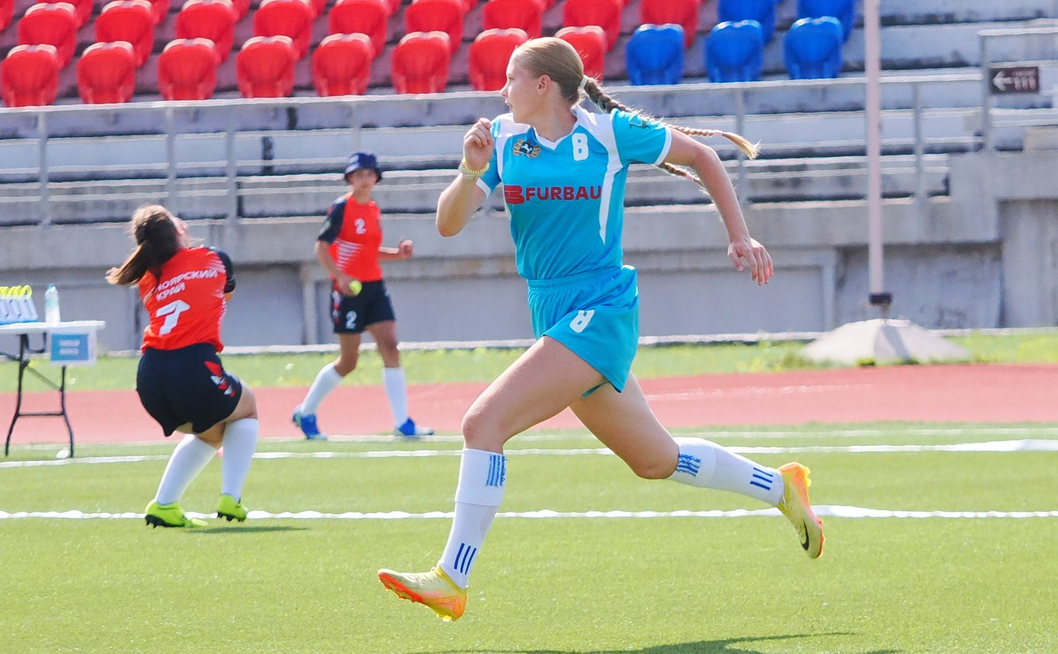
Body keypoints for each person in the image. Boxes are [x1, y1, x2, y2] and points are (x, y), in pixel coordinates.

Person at [376, 36, 823, 621]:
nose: (500, 89)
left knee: (482, 423)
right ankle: (781, 487)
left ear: (544, 86)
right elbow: (449, 224)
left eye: (511, 78)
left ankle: (451, 579)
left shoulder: (610, 132)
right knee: (655, 460)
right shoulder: (506, 141)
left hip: (602, 310)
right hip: (553, 312)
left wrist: (739, 234)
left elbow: (704, 157)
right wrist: (470, 170)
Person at [109, 205, 261, 527]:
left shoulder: (147, 279)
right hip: (192, 367)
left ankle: (164, 504)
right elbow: (224, 296)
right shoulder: (214, 258)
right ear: (178, 230)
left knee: (212, 434)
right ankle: (231, 499)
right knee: (247, 408)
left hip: (150, 376)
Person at [290, 151, 424, 440]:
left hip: (374, 286)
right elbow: (322, 247)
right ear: (350, 178)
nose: (365, 178)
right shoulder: (342, 208)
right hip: (348, 292)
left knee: (391, 348)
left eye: (369, 173)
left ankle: (403, 423)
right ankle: (306, 412)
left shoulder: (373, 209)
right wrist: (341, 277)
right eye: (359, 174)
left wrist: (396, 255)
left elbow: (367, 250)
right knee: (348, 361)